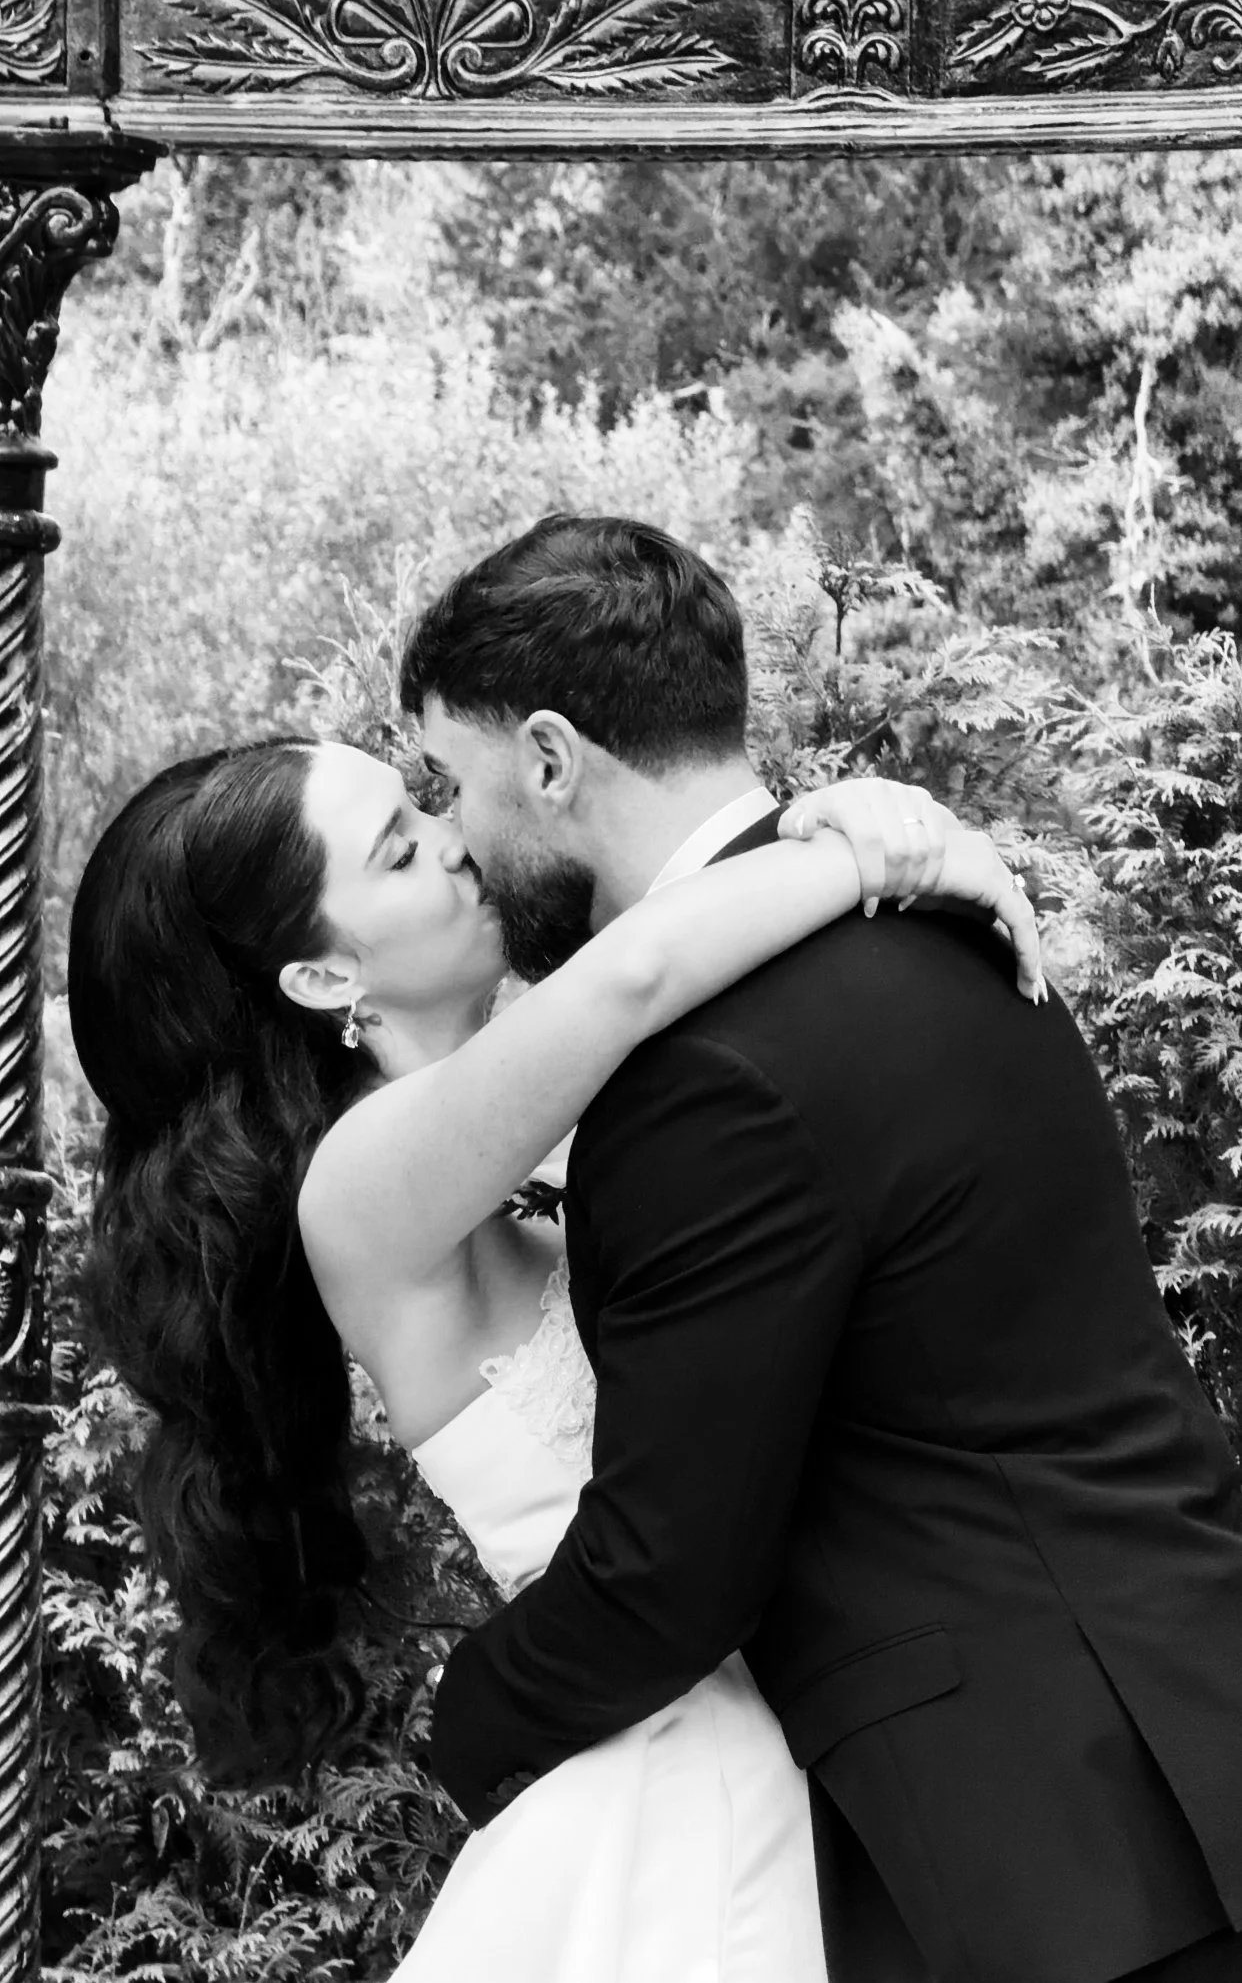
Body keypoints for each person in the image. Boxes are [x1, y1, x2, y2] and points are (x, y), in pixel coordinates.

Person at [400, 513, 1242, 1983]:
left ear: (547, 758)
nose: (460, 841)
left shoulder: (706, 1070)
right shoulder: (945, 921)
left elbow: (672, 1572)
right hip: (1182, 1713)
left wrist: (445, 1732)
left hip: (1049, 1844)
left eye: (451, 785)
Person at [67, 727, 1038, 1983]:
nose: (456, 840)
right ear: (321, 977)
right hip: (675, 1769)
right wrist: (876, 845)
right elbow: (639, 971)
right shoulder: (362, 1183)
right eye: (400, 848)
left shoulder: (521, 1131)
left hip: (783, 1714)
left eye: (426, 805)